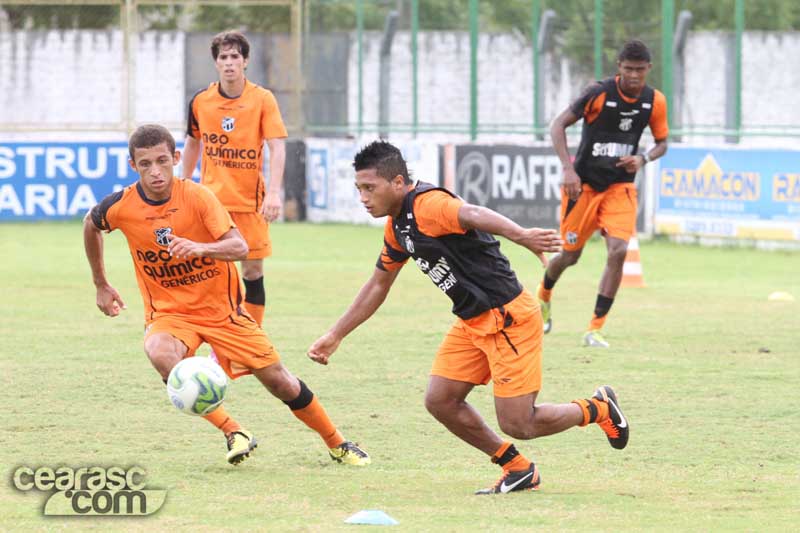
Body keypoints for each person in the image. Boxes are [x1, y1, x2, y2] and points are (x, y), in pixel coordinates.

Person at [307, 140, 629, 494]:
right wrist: (336, 334)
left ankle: (596, 409)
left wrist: (521, 235)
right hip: (471, 321)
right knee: (441, 400)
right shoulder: (397, 226)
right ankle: (517, 467)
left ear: (397, 182)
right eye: (359, 189)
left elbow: (471, 213)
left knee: (520, 423)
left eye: (370, 188)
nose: (363, 197)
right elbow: (378, 284)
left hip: (508, 318)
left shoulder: (428, 204)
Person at [84, 124, 369, 467]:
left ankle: (337, 443)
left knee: (281, 383)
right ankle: (234, 430)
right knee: (159, 352)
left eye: (162, 161)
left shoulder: (198, 196)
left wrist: (198, 248)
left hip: (223, 312)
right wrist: (101, 282)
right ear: (133, 165)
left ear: (176, 158)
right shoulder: (121, 205)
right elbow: (91, 224)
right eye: (145, 164)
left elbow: (240, 246)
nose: (155, 171)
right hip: (169, 314)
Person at [541, 39, 669, 348]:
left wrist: (643, 158)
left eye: (640, 70)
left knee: (619, 251)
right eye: (628, 69)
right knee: (569, 256)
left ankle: (595, 328)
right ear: (619, 68)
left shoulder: (655, 101)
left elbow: (662, 142)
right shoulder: (598, 94)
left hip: (620, 187)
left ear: (648, 69)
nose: (634, 76)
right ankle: (544, 295)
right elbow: (558, 125)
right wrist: (567, 168)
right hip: (582, 187)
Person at [181, 30, 286, 327]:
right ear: (216, 63)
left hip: (249, 204)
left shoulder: (262, 100)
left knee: (252, 272)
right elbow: (192, 143)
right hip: (212, 203)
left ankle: (252, 338)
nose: (229, 63)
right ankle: (217, 335)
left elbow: (278, 146)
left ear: (245, 61)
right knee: (210, 273)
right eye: (223, 57)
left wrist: (275, 193)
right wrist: (183, 185)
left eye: (235, 57)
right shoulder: (201, 101)